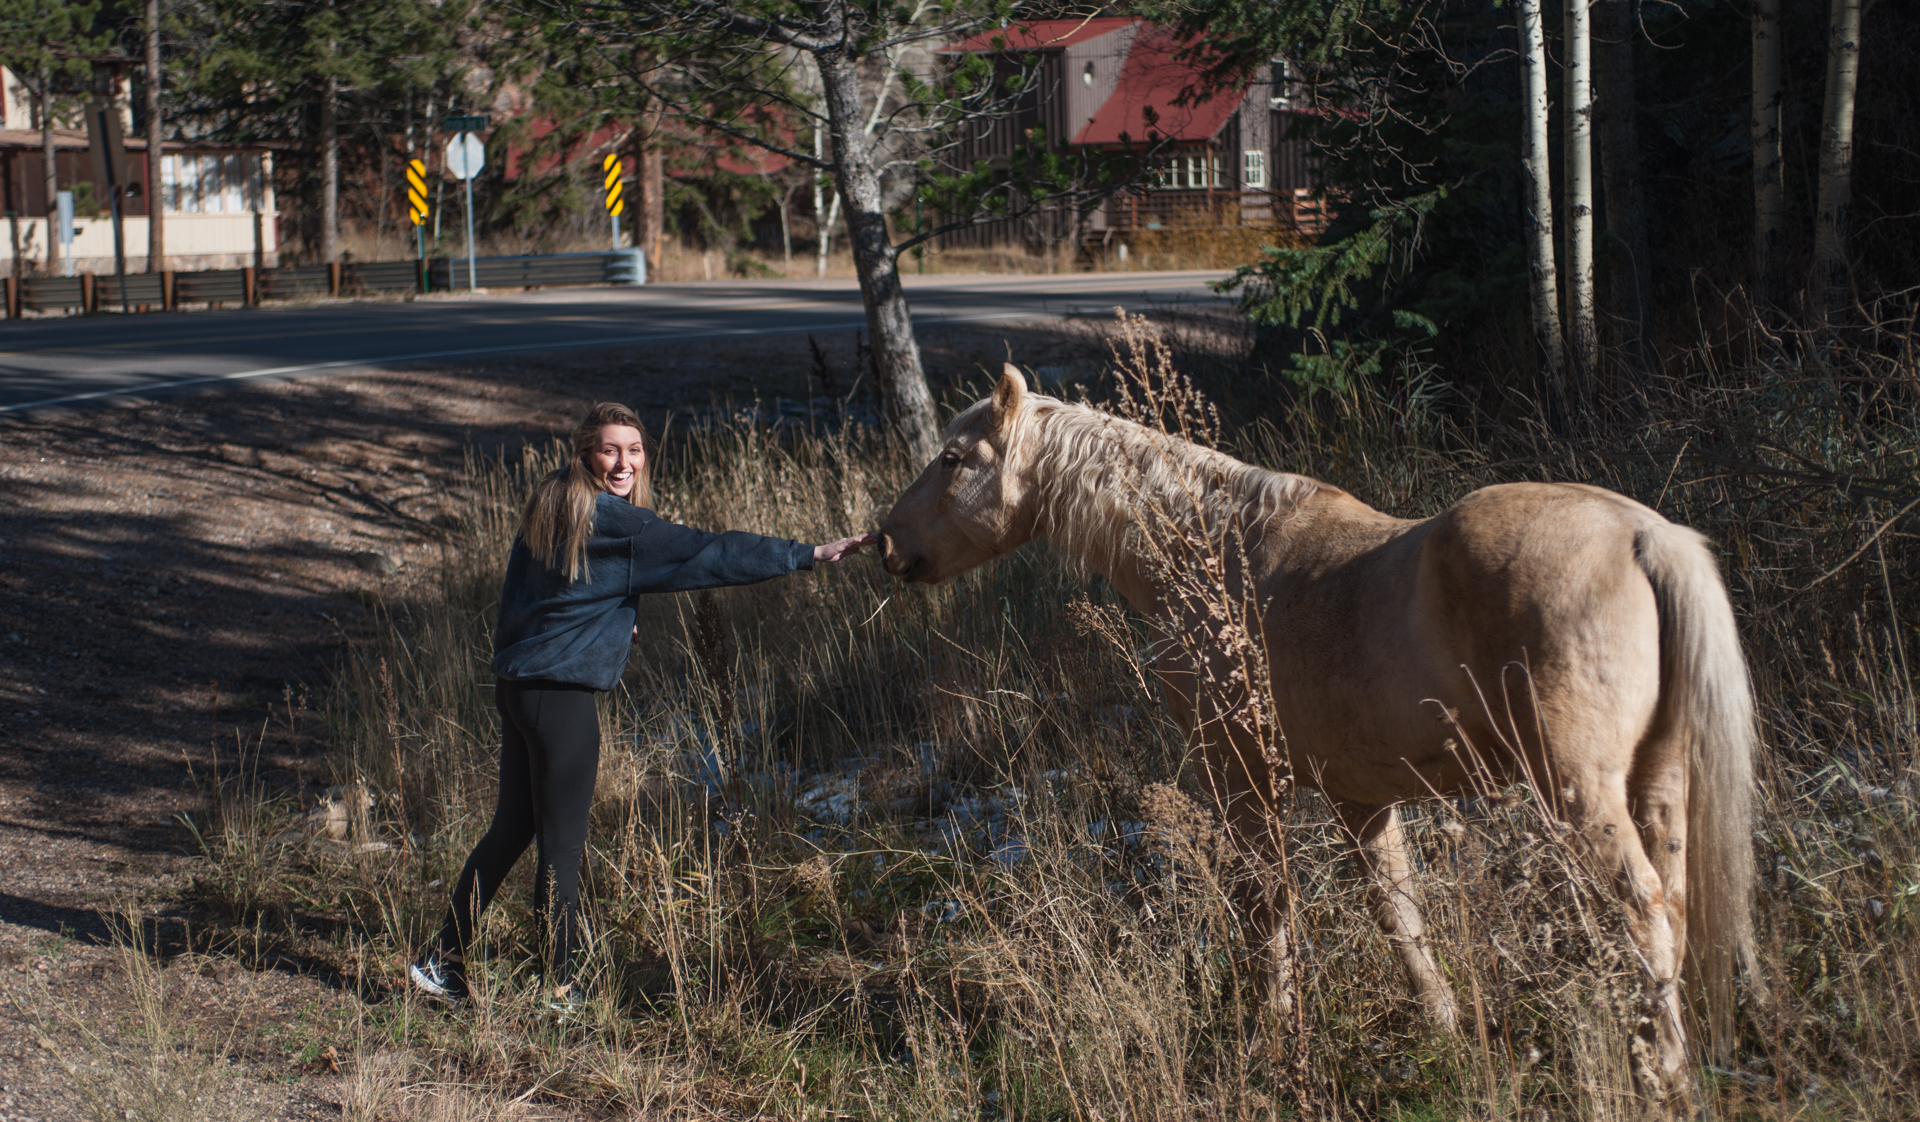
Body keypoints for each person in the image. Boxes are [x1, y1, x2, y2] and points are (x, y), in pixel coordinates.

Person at [409, 401, 872, 1007]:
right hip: (561, 699)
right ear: (586, 453)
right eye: (610, 450)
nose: (624, 462)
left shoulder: (554, 502)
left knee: (512, 830)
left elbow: (533, 599)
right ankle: (562, 987)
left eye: (634, 449)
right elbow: (710, 552)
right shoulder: (615, 524)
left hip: (520, 688)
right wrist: (806, 553)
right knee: (563, 847)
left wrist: (606, 622)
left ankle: (442, 963)